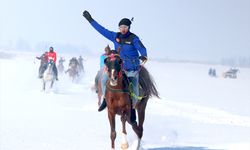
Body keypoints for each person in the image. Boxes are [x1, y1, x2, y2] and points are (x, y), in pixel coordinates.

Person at [83, 10, 148, 122]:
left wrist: (143, 55)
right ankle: (105, 100)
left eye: (125, 27)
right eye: (120, 27)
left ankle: (132, 109)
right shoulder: (115, 36)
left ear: (128, 28)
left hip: (132, 68)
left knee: (135, 90)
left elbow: (142, 48)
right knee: (104, 79)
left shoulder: (133, 38)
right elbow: (102, 30)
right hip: (120, 68)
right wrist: (90, 20)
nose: (122, 29)